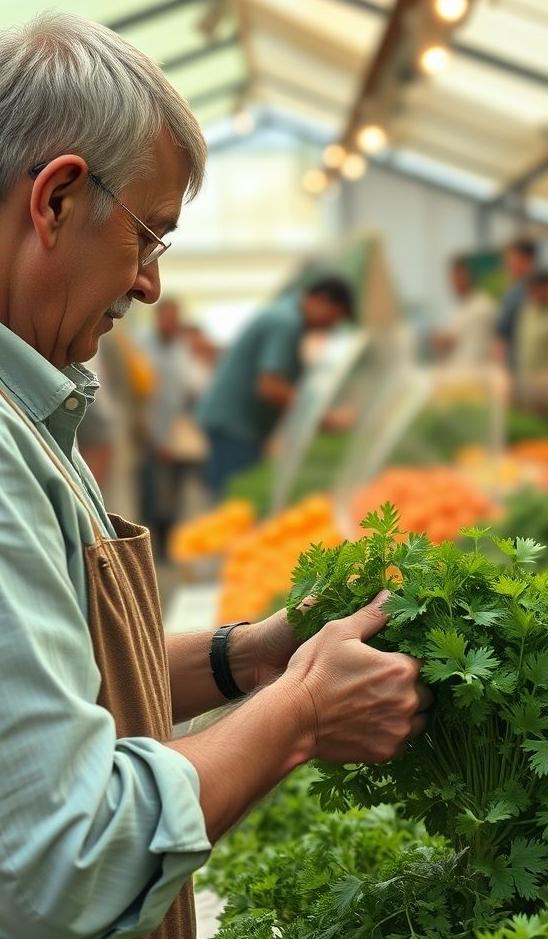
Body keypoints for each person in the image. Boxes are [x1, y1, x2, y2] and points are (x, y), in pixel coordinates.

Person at [0, 14, 425, 939]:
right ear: (57, 199)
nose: (150, 283)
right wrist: (301, 713)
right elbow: (67, 861)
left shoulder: (30, 402)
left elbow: (54, 682)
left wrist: (248, 657)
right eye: (149, 236)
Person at [197, 276, 354, 496]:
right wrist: (322, 417)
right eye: (333, 319)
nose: (329, 328)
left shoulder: (286, 315)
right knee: (235, 500)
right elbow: (270, 386)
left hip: (234, 423)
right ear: (321, 300)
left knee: (232, 496)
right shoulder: (287, 322)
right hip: (235, 426)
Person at [139, 297, 204, 558]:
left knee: (174, 491)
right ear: (158, 318)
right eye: (168, 317)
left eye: (175, 318)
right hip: (150, 432)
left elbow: (189, 385)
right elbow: (140, 397)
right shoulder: (142, 346)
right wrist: (154, 438)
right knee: (153, 490)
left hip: (176, 431)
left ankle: (167, 544)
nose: (171, 323)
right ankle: (149, 545)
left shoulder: (180, 347)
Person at [433, 254, 497, 368]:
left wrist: (446, 342)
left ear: (469, 277)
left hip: (474, 375)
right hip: (461, 375)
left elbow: (475, 351)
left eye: (458, 277)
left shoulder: (483, 306)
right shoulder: (462, 307)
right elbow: (453, 339)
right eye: (452, 278)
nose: (454, 283)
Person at [494, 237, 537, 370]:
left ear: (526, 259)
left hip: (520, 367)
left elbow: (501, 339)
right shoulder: (515, 291)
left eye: (510, 259)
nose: (507, 264)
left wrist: (499, 368)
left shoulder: (516, 294)